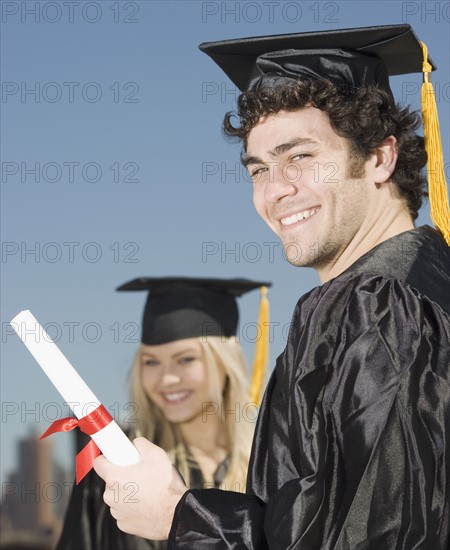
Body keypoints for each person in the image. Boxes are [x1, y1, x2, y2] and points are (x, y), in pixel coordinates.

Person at [94, 24, 450, 549]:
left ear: (380, 157)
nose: (276, 190)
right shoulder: (424, 281)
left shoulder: (376, 306)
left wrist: (180, 516)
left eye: (301, 157)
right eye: (259, 169)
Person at [56, 276, 271, 549]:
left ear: (226, 360)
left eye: (186, 359)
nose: (167, 378)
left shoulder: (269, 463)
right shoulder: (117, 466)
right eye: (151, 362)